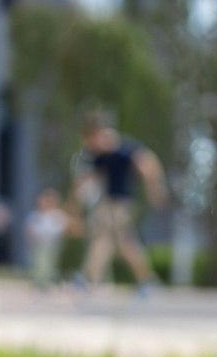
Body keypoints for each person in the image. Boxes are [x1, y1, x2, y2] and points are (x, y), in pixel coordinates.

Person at [71, 110, 169, 294]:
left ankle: (87, 279)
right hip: (109, 202)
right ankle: (146, 280)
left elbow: (147, 163)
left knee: (105, 239)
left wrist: (154, 188)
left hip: (119, 204)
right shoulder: (100, 156)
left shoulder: (123, 148)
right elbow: (89, 177)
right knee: (123, 243)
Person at [23, 187, 72, 293]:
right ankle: (39, 282)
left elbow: (65, 228)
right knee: (39, 263)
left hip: (51, 244)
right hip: (38, 244)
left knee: (47, 264)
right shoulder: (35, 215)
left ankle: (45, 283)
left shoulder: (57, 215)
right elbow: (29, 229)